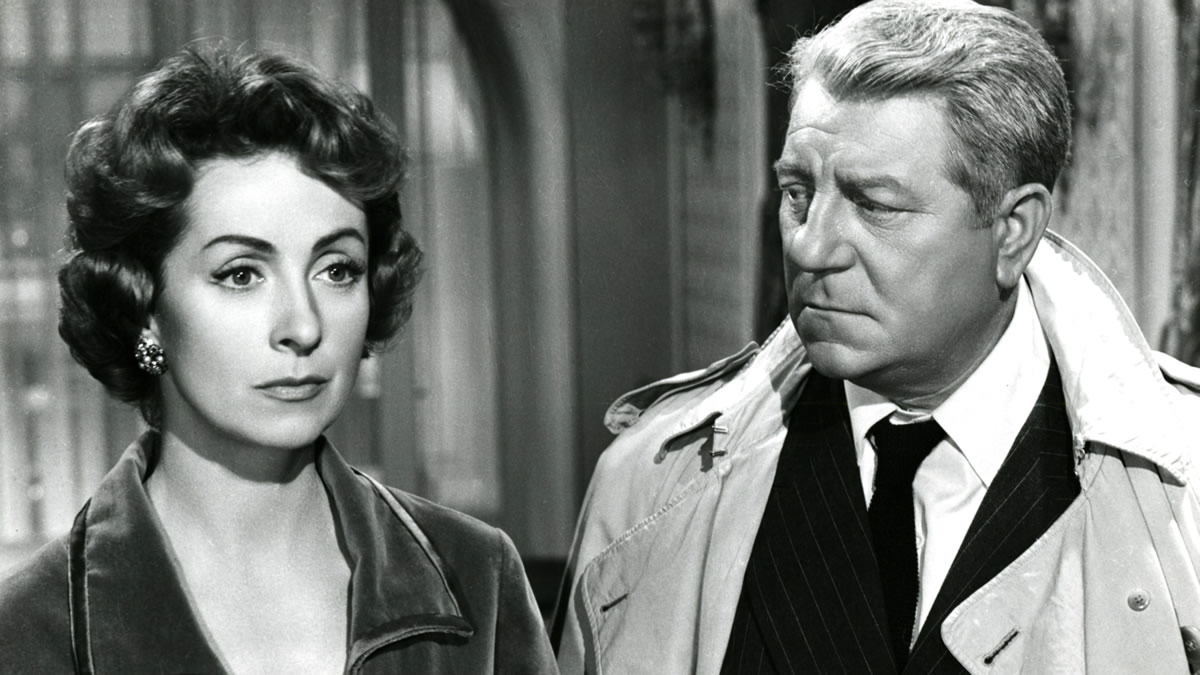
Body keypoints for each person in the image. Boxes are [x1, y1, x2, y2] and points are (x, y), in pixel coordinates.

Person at [555, 1, 1200, 673]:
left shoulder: (1185, 491)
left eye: (874, 205)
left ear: (1012, 231)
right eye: (798, 193)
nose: (809, 248)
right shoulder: (647, 485)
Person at [0, 44, 556, 674]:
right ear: (144, 303)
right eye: (241, 274)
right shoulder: (32, 633)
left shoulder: (477, 578)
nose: (303, 326)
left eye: (336, 269)